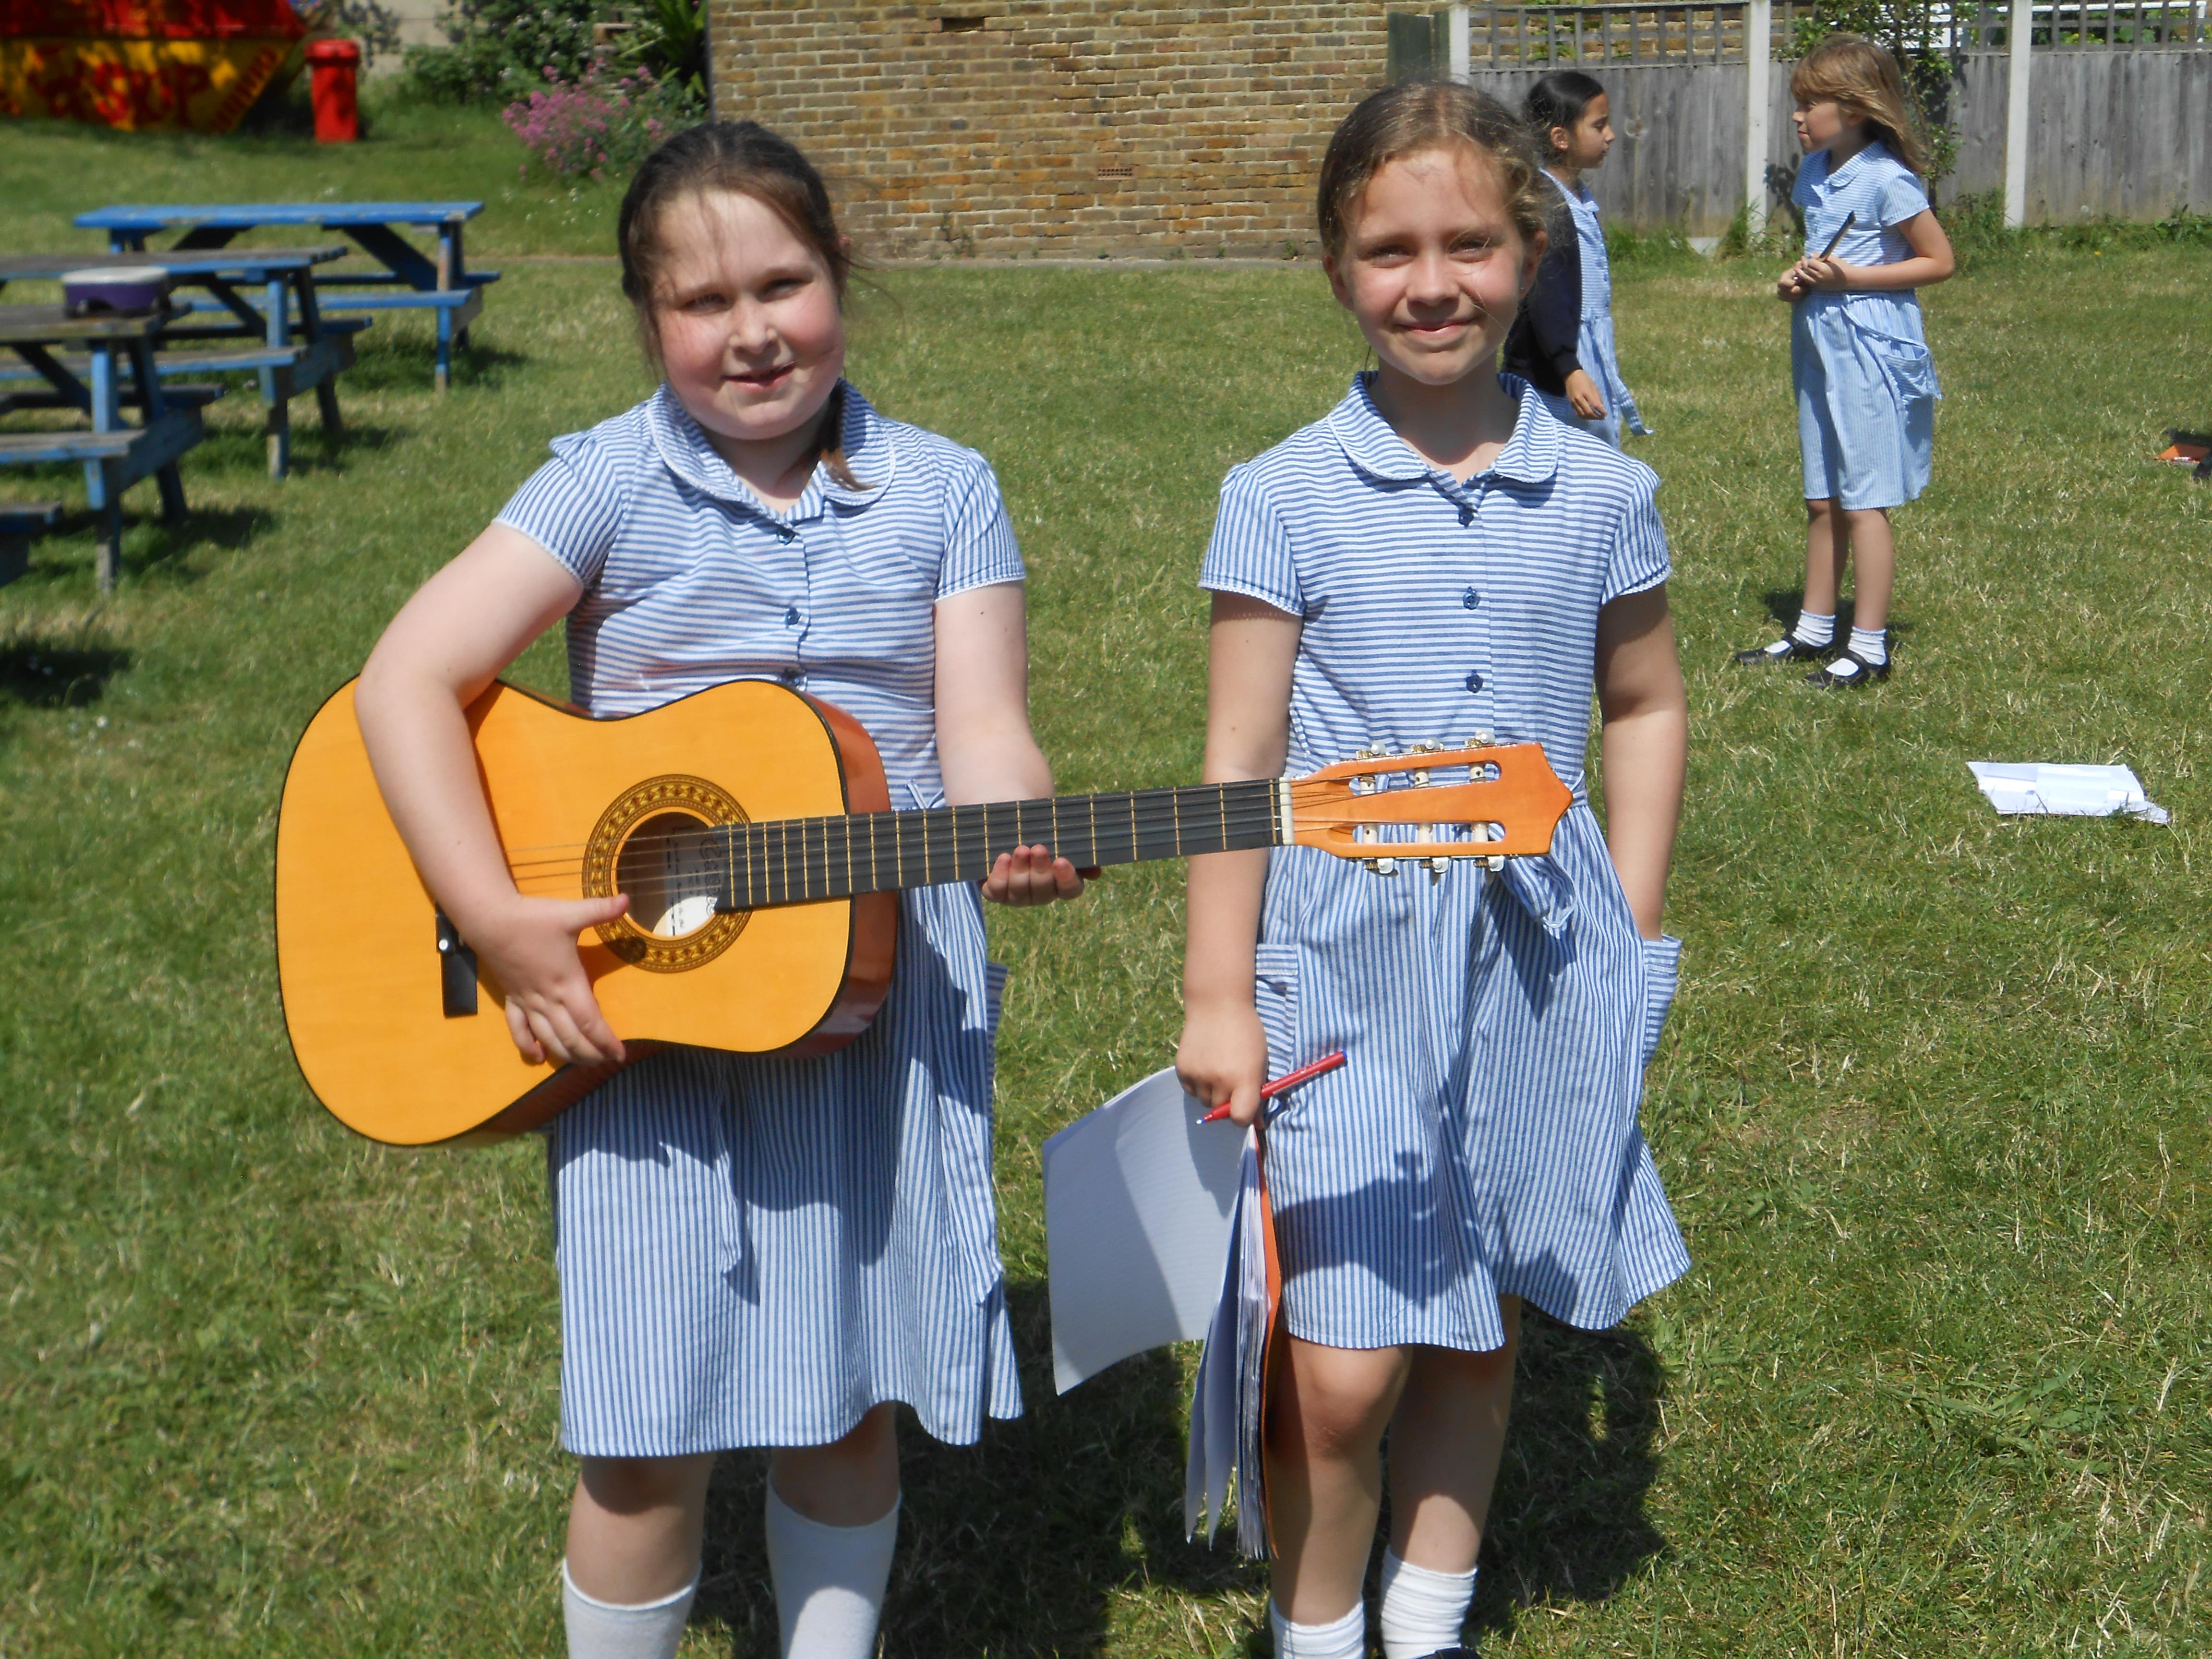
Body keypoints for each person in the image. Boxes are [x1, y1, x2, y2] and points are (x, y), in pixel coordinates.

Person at [351, 120, 1088, 1659]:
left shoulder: (947, 490)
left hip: (875, 1003)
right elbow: (405, 678)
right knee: (641, 1430)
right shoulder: (606, 482)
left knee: (847, 1391)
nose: (752, 331)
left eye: (782, 284)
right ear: (647, 318)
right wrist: (495, 920)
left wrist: (1012, 825)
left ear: (840, 276)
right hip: (640, 1027)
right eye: (703, 302)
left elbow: (986, 726)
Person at [1175, 79, 1691, 1659]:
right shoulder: (1278, 497)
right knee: (1338, 1366)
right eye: (1389, 249)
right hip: (1338, 966)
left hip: (1542, 957)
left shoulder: (1602, 492)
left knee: (1485, 1298)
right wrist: (1215, 993)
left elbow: (1644, 704)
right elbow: (1237, 763)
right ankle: (1317, 1624)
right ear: (1336, 268)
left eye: (1469, 243)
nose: (1432, 281)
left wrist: (1629, 929)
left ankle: (1428, 1608)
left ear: (1529, 250)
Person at [1731, 33, 1955, 687]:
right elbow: (1824, 253)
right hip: (1818, 339)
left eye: (1810, 104)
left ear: (1854, 109)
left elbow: (1939, 261)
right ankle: (1813, 628)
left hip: (1872, 346)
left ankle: (1869, 649)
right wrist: (1798, 279)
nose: (1797, 116)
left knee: (1864, 500)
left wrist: (1848, 278)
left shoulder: (1887, 179)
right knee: (1822, 497)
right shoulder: (1815, 171)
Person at [1500, 68, 1651, 448]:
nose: (1610, 135)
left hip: (1583, 347)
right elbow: (1544, 294)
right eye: (1599, 126)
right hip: (1554, 360)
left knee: (1597, 448)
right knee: (1559, 449)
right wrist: (1569, 368)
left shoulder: (1577, 197)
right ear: (1561, 138)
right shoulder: (1547, 206)